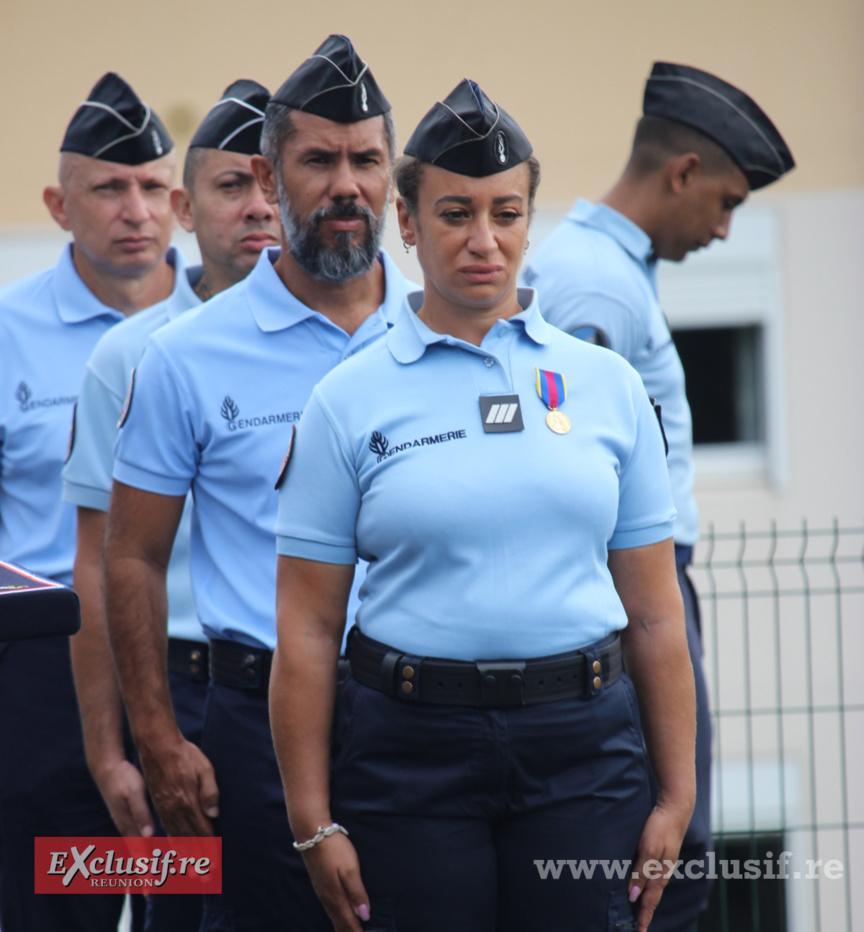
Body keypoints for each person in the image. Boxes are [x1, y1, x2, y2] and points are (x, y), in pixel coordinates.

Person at [270, 78, 696, 932]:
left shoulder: (607, 386)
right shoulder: (346, 399)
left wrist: (677, 797)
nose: (484, 240)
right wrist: (312, 822)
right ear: (406, 221)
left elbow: (655, 615)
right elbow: (309, 630)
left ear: (530, 222)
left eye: (506, 213)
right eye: (456, 213)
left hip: (583, 756)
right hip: (409, 757)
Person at [104, 36, 414, 931]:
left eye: (366, 161)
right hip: (254, 728)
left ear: (393, 181)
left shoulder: (445, 335)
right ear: (272, 180)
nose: (345, 185)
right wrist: (158, 741)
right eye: (319, 161)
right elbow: (131, 558)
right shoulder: (184, 357)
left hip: (426, 726)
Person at [522, 61, 795, 932]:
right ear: (682, 172)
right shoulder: (597, 284)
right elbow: (572, 474)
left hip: (641, 583)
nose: (723, 228)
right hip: (631, 588)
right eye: (725, 202)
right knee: (664, 866)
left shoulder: (607, 269)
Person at [61, 78, 278, 932]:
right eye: (231, 185)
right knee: (187, 913)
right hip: (181, 698)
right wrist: (111, 751)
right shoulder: (129, 357)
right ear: (186, 209)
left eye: (271, 183)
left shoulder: (356, 344)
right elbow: (96, 564)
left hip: (330, 690)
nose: (259, 207)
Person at [0, 72, 180, 932]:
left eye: (152, 188)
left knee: (184, 892)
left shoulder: (216, 326)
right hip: (45, 666)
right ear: (58, 205)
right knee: (59, 898)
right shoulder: (8, 332)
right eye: (109, 188)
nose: (135, 211)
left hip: (183, 660)